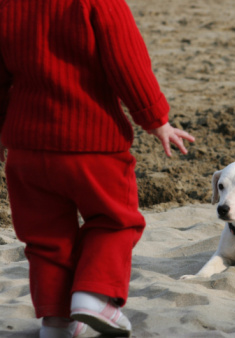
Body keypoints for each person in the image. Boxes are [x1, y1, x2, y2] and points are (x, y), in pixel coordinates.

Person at [0, 0, 195, 336]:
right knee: (115, 220)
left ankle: (57, 322)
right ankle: (94, 295)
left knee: (46, 238)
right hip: (92, 140)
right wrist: (155, 119)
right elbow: (127, 62)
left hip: (26, 146)